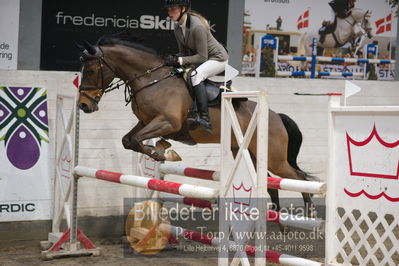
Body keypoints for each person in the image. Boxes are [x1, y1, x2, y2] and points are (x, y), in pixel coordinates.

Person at [163, 0, 228, 133]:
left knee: (195, 75)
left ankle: (204, 118)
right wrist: (173, 58)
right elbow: (184, 53)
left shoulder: (197, 27)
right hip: (203, 59)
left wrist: (179, 60)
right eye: (168, 10)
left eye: (173, 9)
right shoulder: (177, 27)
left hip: (218, 59)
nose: (169, 13)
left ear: (183, 9)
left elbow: (202, 57)